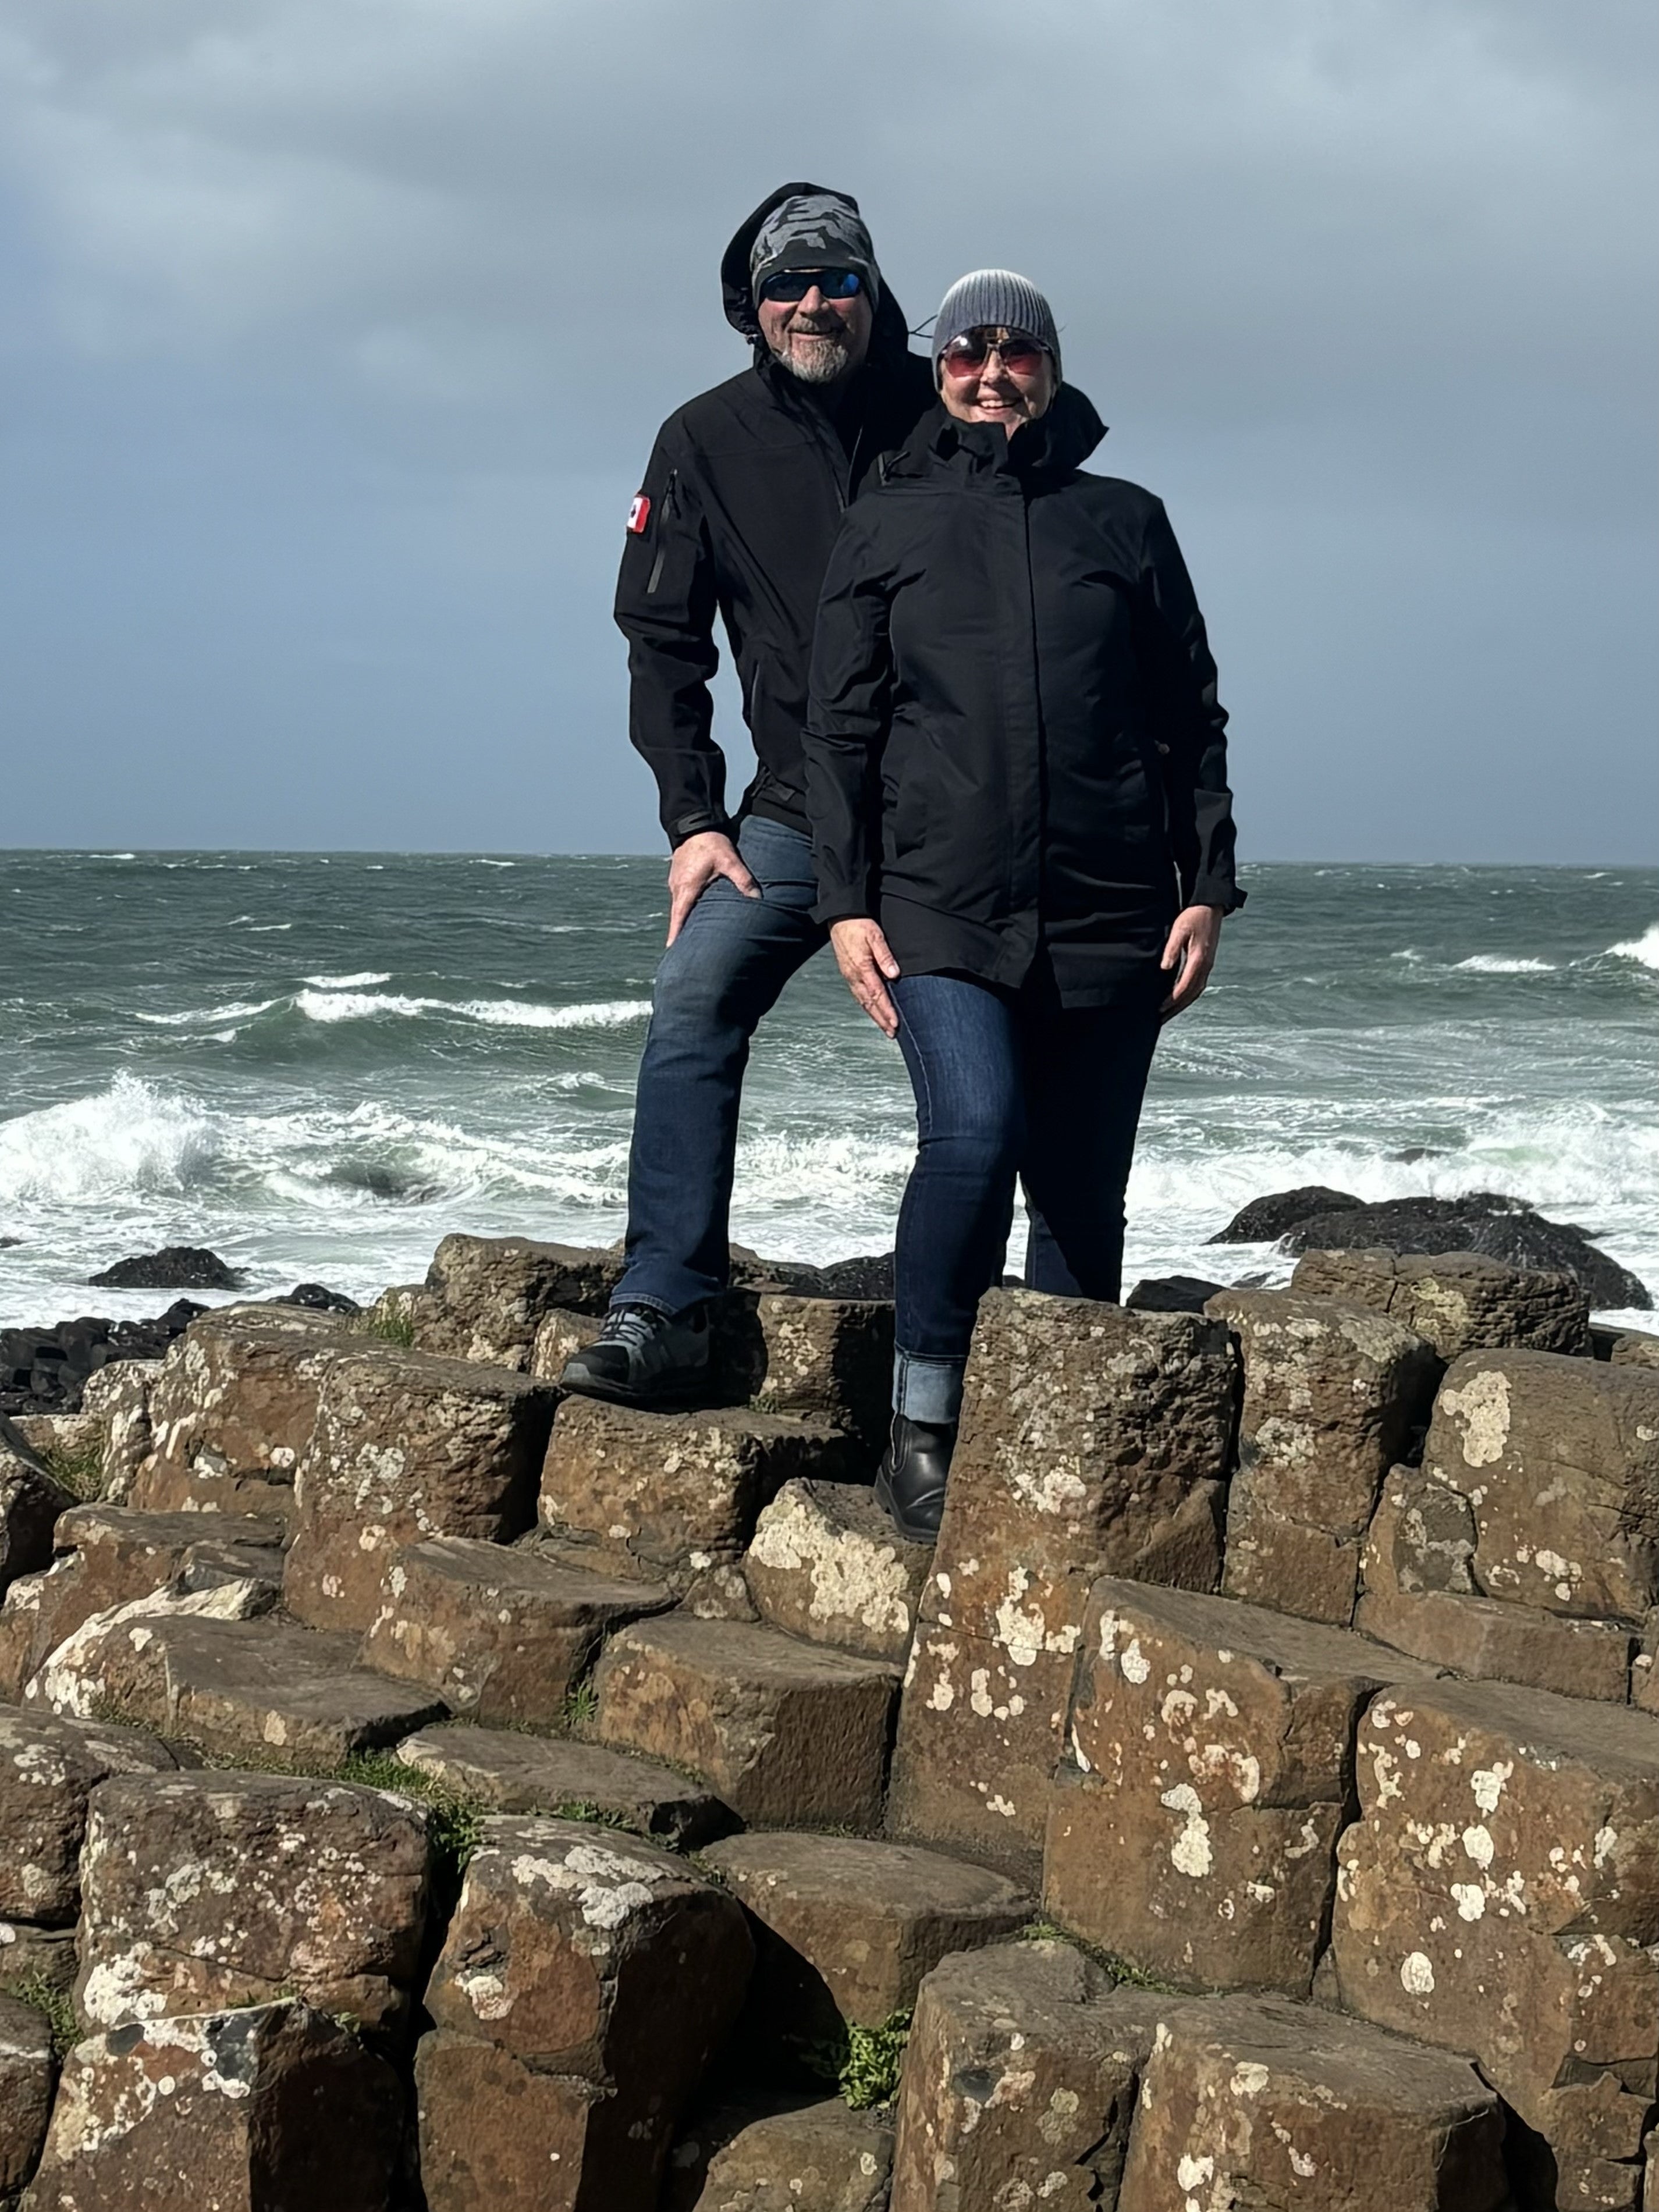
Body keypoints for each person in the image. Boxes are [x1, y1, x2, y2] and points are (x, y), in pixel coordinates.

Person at [802, 271, 1243, 1539]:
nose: (991, 372)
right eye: (964, 354)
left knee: (1081, 1188)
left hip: (1114, 906)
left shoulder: (1128, 520)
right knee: (973, 1134)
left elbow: (1188, 721)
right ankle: (924, 1427)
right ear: (937, 372)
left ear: (1050, 367)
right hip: (938, 903)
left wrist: (1205, 886)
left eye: (1015, 350)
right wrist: (844, 901)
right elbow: (836, 730)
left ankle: (1055, 1441)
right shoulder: (887, 521)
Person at [558, 185, 937, 1407]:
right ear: (750, 304)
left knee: (981, 1045)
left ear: (874, 289)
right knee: (693, 993)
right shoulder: (701, 438)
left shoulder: (950, 414)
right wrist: (693, 818)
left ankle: (977, 1321)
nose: (812, 301)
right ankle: (664, 1301)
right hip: (788, 808)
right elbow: (661, 639)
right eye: (787, 283)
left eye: (837, 278)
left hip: (956, 810)